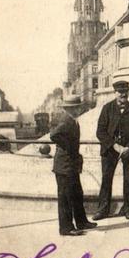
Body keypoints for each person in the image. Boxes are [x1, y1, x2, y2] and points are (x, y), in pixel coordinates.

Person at [93, 80, 129, 220]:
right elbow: (100, 132)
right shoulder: (107, 109)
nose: (123, 95)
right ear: (115, 93)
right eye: (120, 92)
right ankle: (103, 210)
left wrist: (128, 147)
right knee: (106, 179)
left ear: (128, 92)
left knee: (128, 180)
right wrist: (114, 145)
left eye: (125, 92)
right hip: (110, 149)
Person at [50, 95, 98, 236]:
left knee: (77, 193)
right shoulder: (66, 120)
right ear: (72, 108)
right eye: (77, 107)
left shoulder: (72, 120)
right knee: (65, 197)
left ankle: (81, 221)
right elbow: (54, 135)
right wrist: (68, 147)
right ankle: (66, 228)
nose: (79, 109)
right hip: (64, 165)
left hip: (70, 164)